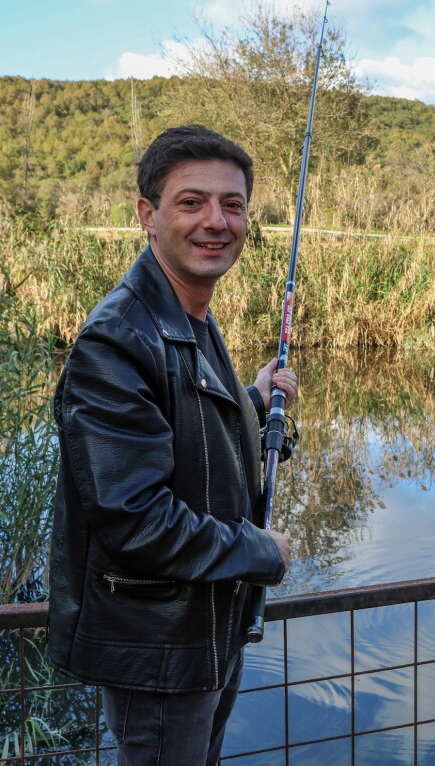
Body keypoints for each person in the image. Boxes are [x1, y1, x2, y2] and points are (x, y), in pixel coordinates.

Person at [47, 125, 297, 765]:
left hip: (206, 636)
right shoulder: (118, 340)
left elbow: (190, 437)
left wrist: (251, 403)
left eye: (232, 204)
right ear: (147, 216)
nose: (216, 221)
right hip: (160, 652)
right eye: (192, 202)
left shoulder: (189, 317)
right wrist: (258, 551)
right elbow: (134, 519)